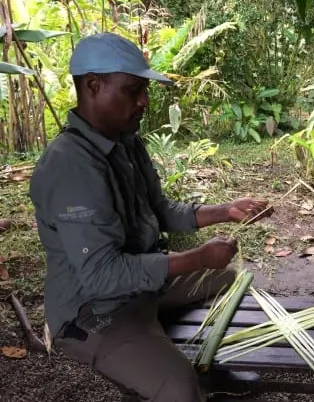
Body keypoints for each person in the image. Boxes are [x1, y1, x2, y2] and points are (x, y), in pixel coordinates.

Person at [29, 32, 269, 402]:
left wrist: (226, 211)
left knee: (227, 276)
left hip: (141, 289)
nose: (144, 101)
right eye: (132, 90)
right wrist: (197, 257)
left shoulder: (125, 141)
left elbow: (159, 210)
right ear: (93, 86)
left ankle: (150, 334)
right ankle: (148, 356)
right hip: (95, 313)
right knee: (179, 388)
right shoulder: (70, 165)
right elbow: (101, 276)